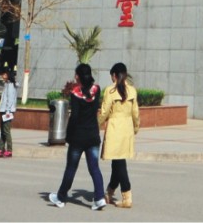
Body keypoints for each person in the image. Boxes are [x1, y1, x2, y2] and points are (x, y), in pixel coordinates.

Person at [47, 63, 107, 209]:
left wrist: (68, 136)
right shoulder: (97, 89)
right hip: (93, 135)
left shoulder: (75, 93)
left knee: (71, 168)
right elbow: (92, 103)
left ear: (79, 76)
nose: (74, 76)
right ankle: (99, 198)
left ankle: (61, 197)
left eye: (76, 74)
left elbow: (74, 117)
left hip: (78, 137)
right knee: (94, 168)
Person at [99, 62, 140, 210]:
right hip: (127, 129)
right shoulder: (132, 91)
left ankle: (127, 196)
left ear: (114, 75)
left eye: (112, 76)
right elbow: (135, 113)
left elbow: (104, 112)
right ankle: (109, 192)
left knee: (119, 163)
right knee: (117, 162)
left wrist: (96, 124)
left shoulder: (110, 91)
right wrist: (135, 128)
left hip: (115, 129)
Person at [0, 69, 18, 158]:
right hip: (3, 109)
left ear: (8, 75)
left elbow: (10, 99)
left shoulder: (10, 85)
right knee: (2, 130)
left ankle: (9, 150)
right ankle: (1, 149)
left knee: (6, 131)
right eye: (2, 74)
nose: (2, 76)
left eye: (4, 74)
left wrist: (8, 111)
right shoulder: (6, 84)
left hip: (6, 111)